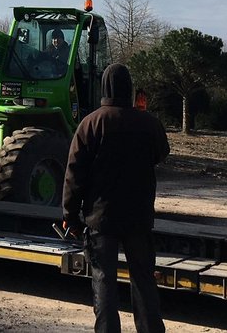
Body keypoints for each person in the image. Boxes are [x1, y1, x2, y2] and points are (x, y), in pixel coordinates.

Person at [62, 64, 170, 333]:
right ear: (130, 89)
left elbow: (74, 174)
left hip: (101, 219)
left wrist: (69, 216)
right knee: (143, 280)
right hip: (139, 217)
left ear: (104, 88)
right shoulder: (149, 123)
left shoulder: (90, 124)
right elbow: (161, 153)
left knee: (104, 281)